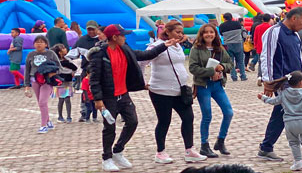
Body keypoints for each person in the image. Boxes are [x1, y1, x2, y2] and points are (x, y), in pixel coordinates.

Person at [89, 24, 177, 172]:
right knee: (109, 128)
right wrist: (98, 99)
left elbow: (144, 55)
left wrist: (164, 46)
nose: (125, 37)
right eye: (123, 35)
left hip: (123, 95)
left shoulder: (125, 49)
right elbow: (94, 79)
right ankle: (107, 158)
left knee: (132, 122)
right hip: (109, 97)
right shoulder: (100, 54)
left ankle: (118, 151)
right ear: (115, 37)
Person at [257, 7, 302, 163]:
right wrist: (268, 82)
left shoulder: (295, 35)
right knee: (298, 112)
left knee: (282, 113)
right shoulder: (273, 32)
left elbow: (299, 60)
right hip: (281, 82)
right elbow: (266, 57)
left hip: (297, 81)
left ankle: (266, 147)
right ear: (294, 18)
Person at [146, 21, 206, 164]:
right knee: (164, 121)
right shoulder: (157, 46)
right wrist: (143, 81)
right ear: (167, 31)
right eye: (177, 32)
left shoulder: (177, 46)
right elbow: (143, 61)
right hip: (161, 91)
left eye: (181, 32)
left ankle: (189, 150)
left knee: (188, 117)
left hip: (179, 90)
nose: (180, 35)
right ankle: (160, 152)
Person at [258, 71, 302, 171]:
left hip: (289, 123)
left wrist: (263, 97)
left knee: (293, 143)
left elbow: (273, 101)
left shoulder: (284, 93)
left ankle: (298, 162)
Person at [188, 24, 233, 158]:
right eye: (206, 32)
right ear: (201, 34)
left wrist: (222, 67)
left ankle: (221, 140)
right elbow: (193, 68)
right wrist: (211, 71)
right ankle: (204, 145)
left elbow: (230, 64)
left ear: (215, 34)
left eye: (211, 32)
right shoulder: (196, 49)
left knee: (228, 112)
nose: (209, 35)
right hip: (203, 85)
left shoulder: (219, 48)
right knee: (207, 115)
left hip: (217, 85)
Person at [23, 35, 61, 134]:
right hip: (34, 80)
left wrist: (53, 73)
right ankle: (48, 121)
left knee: (42, 102)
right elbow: (27, 70)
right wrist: (26, 85)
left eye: (41, 42)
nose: (39, 44)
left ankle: (43, 125)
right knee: (41, 103)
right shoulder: (30, 55)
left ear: (46, 44)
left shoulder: (51, 53)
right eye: (37, 42)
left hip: (47, 81)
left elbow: (59, 66)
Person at [51, 44, 77, 123]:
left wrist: (72, 71)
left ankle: (69, 116)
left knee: (68, 99)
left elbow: (74, 68)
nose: (65, 49)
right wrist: (68, 69)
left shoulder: (67, 59)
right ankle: (60, 116)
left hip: (68, 82)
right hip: (60, 82)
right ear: (59, 52)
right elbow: (59, 70)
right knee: (61, 99)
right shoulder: (56, 62)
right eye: (63, 48)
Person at [219, 13, 247, 82]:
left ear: (224, 18)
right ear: (231, 17)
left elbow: (221, 34)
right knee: (240, 61)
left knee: (230, 62)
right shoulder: (237, 24)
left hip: (228, 44)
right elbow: (242, 32)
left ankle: (234, 77)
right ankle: (243, 76)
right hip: (238, 43)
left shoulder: (222, 26)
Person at [251, 14, 274, 86]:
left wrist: (255, 45)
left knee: (260, 62)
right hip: (269, 47)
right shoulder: (271, 28)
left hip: (260, 47)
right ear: (270, 19)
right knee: (269, 62)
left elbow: (255, 37)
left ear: (262, 19)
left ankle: (259, 76)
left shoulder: (258, 27)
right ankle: (267, 77)